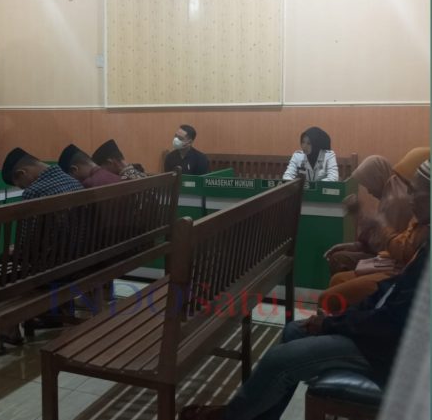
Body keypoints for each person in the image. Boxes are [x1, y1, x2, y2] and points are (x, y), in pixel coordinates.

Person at [179, 243, 429, 420]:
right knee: (294, 330)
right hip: (384, 334)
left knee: (279, 360)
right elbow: (387, 294)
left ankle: (229, 417)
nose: (410, 197)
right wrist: (337, 319)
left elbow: (390, 324)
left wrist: (331, 324)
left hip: (396, 353)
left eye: (416, 192)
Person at [0, 148, 83, 355]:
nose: (23, 188)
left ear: (22, 173)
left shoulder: (35, 192)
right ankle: (41, 317)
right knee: (9, 262)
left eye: (20, 184)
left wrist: (15, 249)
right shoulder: (73, 182)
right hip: (77, 260)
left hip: (49, 268)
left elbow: (27, 244)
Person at [319, 160, 430, 314]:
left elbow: (394, 246)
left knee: (337, 269)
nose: (369, 191)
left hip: (394, 265)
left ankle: (342, 318)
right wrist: (360, 237)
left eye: (413, 190)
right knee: (338, 272)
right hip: (391, 259)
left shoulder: (397, 200)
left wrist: (376, 223)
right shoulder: (393, 196)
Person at [324, 148, 429, 274]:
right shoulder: (391, 192)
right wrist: (357, 244)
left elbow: (390, 246)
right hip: (391, 255)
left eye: (369, 184)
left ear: (377, 177)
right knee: (340, 258)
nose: (369, 191)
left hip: (394, 262)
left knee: (339, 261)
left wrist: (365, 221)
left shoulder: (396, 199)